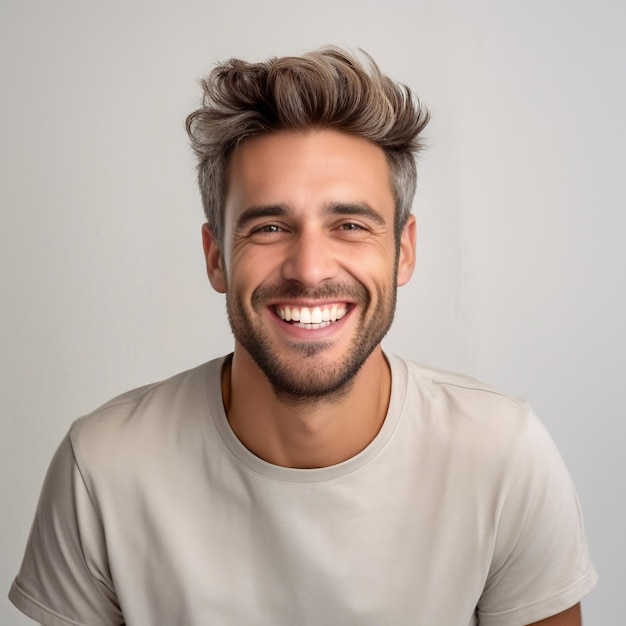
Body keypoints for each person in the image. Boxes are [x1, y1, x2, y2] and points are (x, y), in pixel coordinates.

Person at [9, 47, 597, 625]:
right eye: (269, 226)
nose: (310, 269)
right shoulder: (103, 469)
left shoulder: (503, 455)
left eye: (349, 225)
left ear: (404, 250)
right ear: (216, 258)